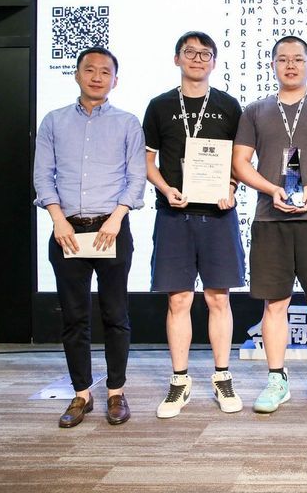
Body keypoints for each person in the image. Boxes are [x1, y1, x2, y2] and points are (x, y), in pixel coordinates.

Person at [233, 35, 307, 414]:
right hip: (271, 219)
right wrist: (271, 189)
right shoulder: (255, 111)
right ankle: (276, 379)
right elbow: (239, 163)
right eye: (282, 59)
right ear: (272, 65)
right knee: (275, 304)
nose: (290, 65)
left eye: (297, 59)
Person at [33, 46, 146, 427]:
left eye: (105, 71)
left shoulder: (127, 122)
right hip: (66, 231)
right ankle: (81, 394)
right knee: (74, 316)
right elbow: (43, 175)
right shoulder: (54, 121)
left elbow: (136, 178)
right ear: (77, 75)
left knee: (116, 314)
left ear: (116, 79)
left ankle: (116, 392)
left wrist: (116, 218)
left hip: (112, 228)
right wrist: (58, 219)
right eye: (90, 70)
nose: (97, 77)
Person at [143, 31, 246, 419]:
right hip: (174, 215)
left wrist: (231, 188)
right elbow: (147, 161)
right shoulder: (159, 106)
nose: (198, 59)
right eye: (190, 52)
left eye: (205, 54)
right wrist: (166, 188)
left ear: (214, 62)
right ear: (177, 59)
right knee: (179, 300)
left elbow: (240, 160)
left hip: (218, 215)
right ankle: (180, 380)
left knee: (219, 299)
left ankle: (222, 376)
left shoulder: (228, 106)